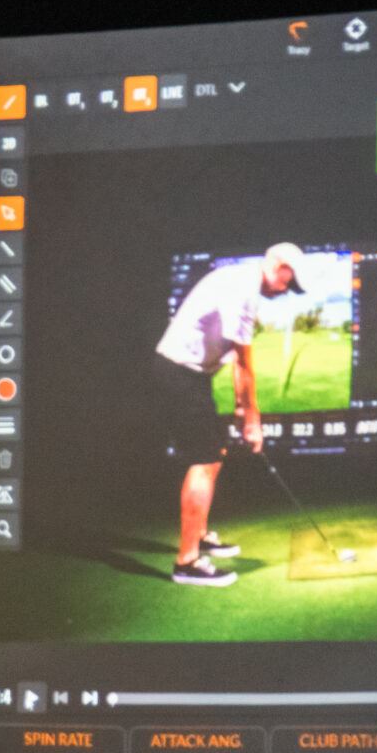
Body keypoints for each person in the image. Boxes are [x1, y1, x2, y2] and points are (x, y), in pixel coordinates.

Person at [153, 243, 306, 587]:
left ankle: (199, 535)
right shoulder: (244, 289)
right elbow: (244, 362)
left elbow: (235, 359)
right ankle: (187, 562)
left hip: (190, 374)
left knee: (214, 452)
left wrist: (241, 406)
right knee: (204, 459)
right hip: (179, 372)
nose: (285, 290)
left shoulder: (240, 278)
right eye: (289, 281)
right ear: (278, 265)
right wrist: (252, 419)